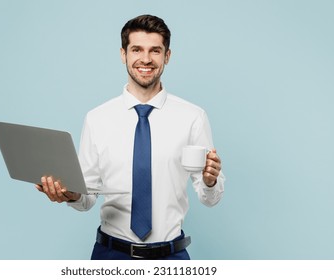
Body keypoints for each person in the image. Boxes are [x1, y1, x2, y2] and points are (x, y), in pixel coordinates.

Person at [36, 14, 225, 260]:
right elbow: (87, 196)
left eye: (155, 51)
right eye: (137, 49)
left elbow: (210, 198)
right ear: (123, 54)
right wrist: (70, 194)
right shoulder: (97, 118)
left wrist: (210, 181)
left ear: (167, 56)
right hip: (110, 255)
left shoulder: (193, 117)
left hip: (171, 257)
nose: (145, 59)